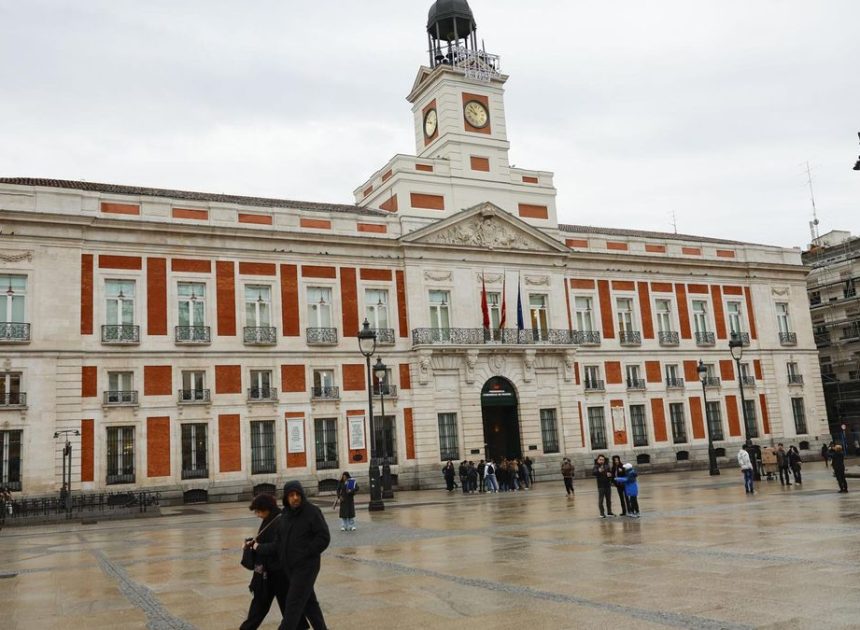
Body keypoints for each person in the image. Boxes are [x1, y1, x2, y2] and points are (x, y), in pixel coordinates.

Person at [254, 481, 330, 630]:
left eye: (297, 495)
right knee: (309, 603)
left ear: (302, 495)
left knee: (293, 606)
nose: (295, 498)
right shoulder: (285, 516)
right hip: (290, 568)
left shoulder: (312, 512)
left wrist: (306, 553)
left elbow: (324, 538)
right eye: (291, 495)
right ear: (286, 498)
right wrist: (258, 547)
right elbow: (278, 544)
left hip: (306, 567)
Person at [240, 493, 291, 630]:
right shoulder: (269, 519)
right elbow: (264, 538)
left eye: (258, 511)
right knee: (259, 607)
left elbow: (277, 546)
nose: (257, 514)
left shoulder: (280, 521)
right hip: (266, 573)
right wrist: (252, 543)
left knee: (288, 609)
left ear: (266, 508)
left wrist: (257, 546)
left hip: (279, 574)